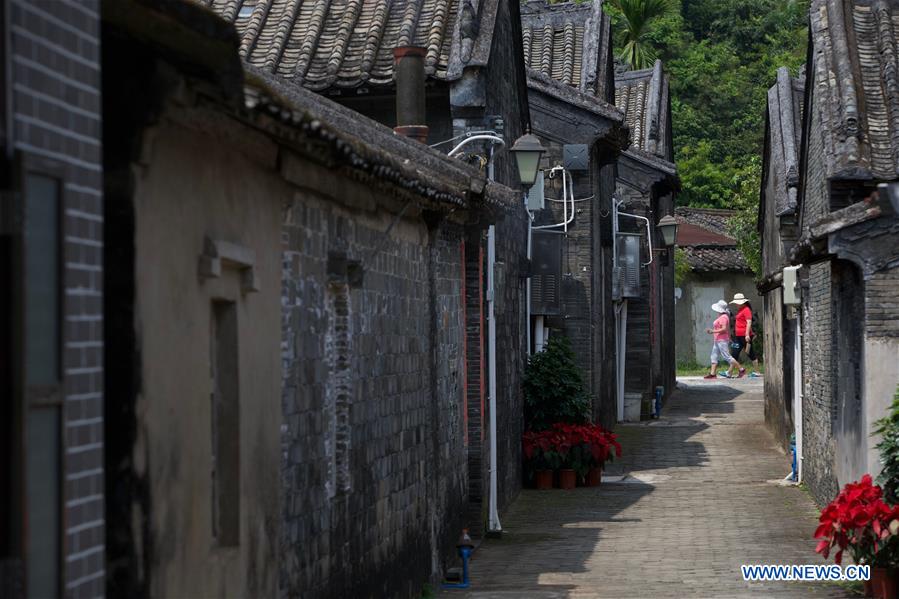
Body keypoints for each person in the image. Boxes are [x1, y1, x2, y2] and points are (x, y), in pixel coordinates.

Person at [704, 300, 740, 379]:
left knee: (726, 356)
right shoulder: (721, 316)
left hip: (722, 340)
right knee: (714, 356)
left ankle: (741, 369)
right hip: (717, 339)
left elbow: (724, 329)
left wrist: (712, 331)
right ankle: (712, 374)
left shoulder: (724, 317)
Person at [730, 293, 761, 378]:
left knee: (750, 353)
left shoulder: (746, 309)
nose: (736, 304)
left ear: (742, 302)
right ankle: (729, 372)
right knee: (734, 352)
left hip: (745, 336)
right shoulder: (740, 310)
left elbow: (749, 322)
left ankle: (757, 371)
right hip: (738, 336)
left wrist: (747, 334)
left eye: (737, 302)